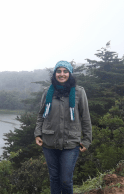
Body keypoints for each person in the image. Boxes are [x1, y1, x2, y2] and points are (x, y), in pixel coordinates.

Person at [34, 61, 92, 194]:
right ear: (55, 74)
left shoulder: (79, 92)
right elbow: (41, 115)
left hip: (71, 142)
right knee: (54, 178)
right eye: (58, 71)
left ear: (70, 73)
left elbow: (86, 117)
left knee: (66, 180)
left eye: (65, 71)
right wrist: (37, 133)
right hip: (49, 142)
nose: (62, 74)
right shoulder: (47, 91)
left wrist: (87, 140)